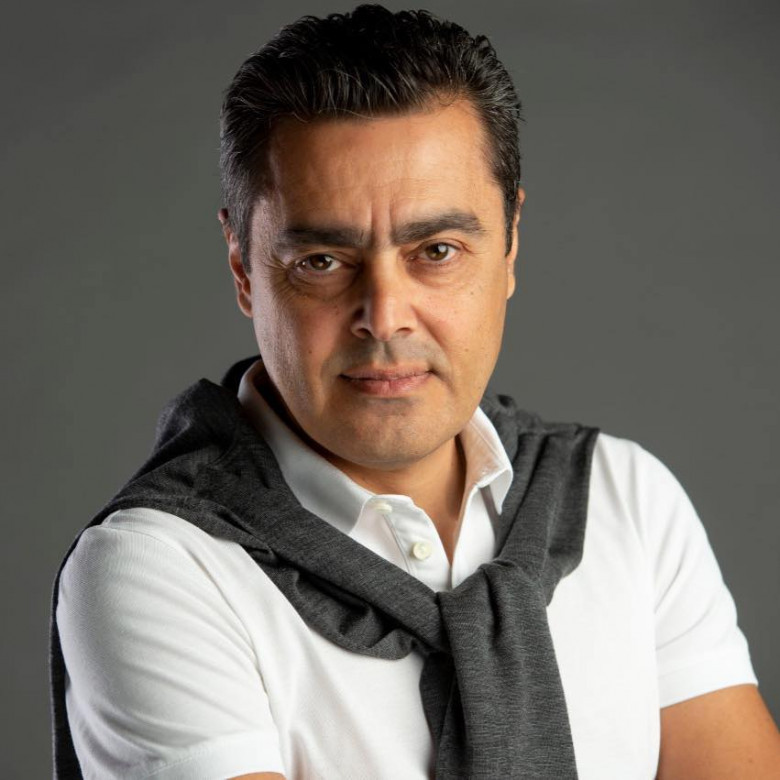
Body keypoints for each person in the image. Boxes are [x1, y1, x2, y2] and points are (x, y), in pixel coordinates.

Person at [49, 5, 780, 779]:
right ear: (242, 268)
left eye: (437, 250)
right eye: (322, 261)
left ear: (510, 246)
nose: (385, 316)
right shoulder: (161, 568)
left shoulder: (623, 500)